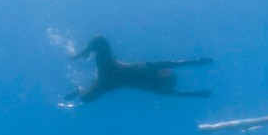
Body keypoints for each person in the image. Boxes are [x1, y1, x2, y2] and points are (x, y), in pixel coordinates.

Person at [66, 36, 212, 102]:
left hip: (108, 83)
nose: (166, 75)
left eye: (167, 79)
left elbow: (177, 94)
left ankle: (79, 89)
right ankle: (82, 54)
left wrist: (198, 94)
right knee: (101, 41)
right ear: (165, 72)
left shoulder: (157, 88)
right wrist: (197, 61)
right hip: (110, 68)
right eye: (167, 74)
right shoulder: (152, 68)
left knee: (85, 99)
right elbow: (174, 63)